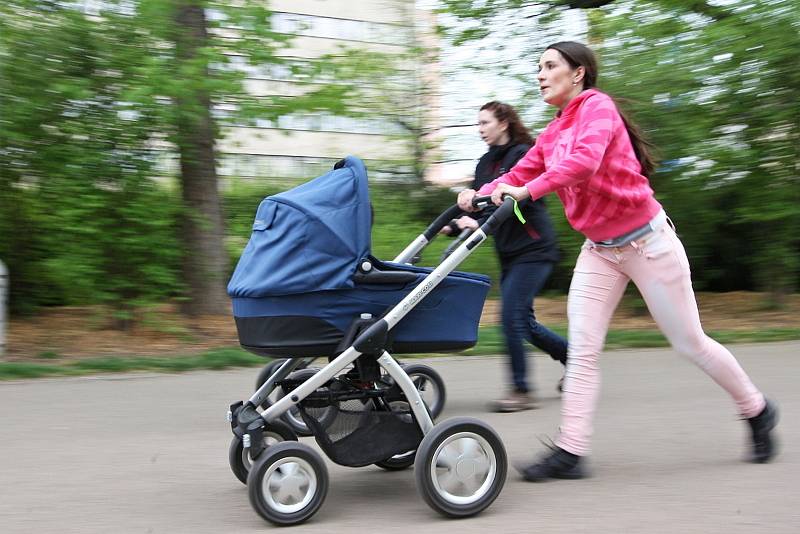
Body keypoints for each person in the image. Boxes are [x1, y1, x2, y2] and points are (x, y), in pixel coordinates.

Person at [457, 41, 778, 480]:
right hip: (601, 252)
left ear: (578, 74)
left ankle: (756, 410)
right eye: (538, 68)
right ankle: (571, 450)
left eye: (550, 66)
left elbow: (584, 163)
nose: (540, 74)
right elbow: (519, 173)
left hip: (649, 243)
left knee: (690, 343)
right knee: (584, 352)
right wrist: (476, 196)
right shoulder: (551, 133)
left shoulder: (598, 108)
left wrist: (525, 191)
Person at [442, 101, 568, 412]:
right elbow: (477, 204)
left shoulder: (523, 153)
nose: (480, 129)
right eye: (479, 124)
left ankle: (520, 390)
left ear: (504, 123)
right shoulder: (484, 163)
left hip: (535, 249)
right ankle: (575, 359)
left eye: (485, 122)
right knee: (522, 321)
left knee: (510, 316)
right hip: (509, 252)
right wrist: (458, 222)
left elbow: (518, 199)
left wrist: (479, 219)